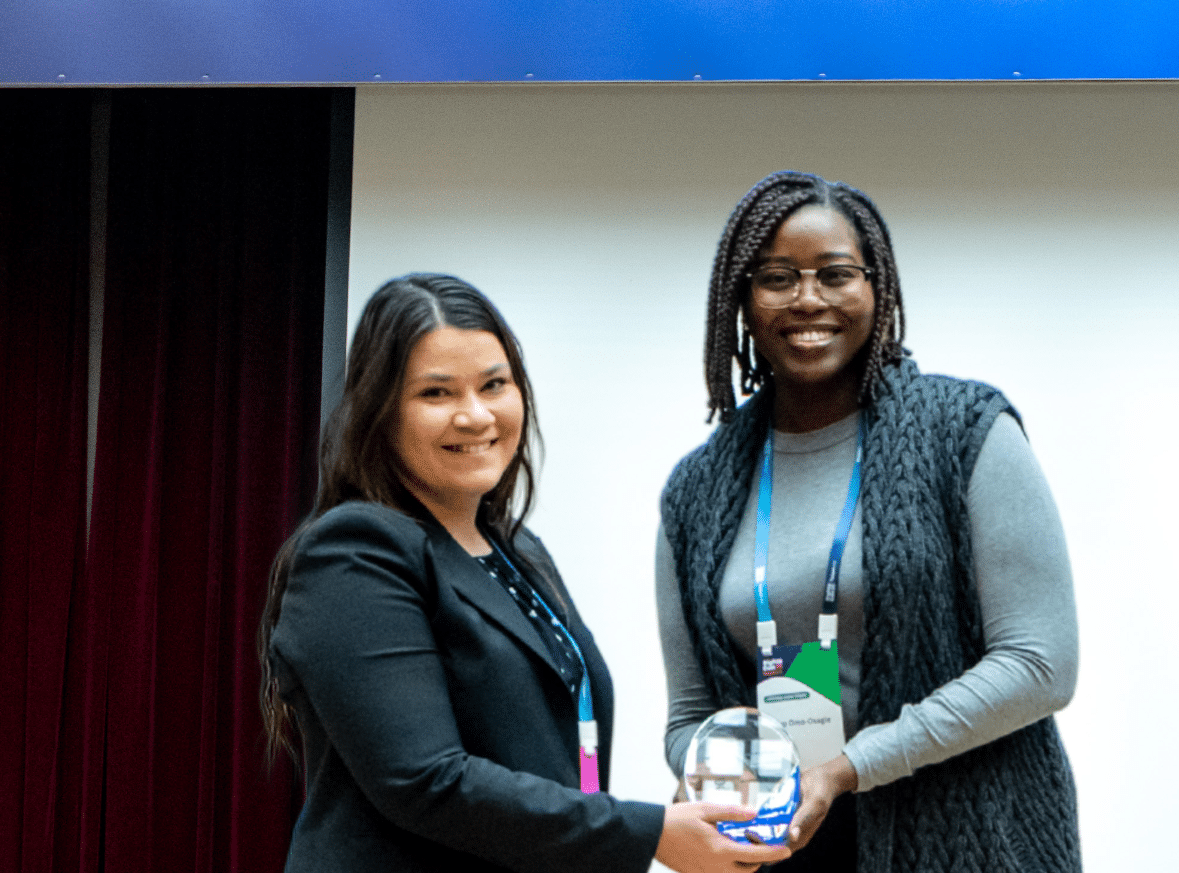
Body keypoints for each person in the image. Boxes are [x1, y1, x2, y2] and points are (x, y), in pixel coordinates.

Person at [259, 273, 790, 873]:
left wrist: (662, 823)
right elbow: (426, 780)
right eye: (436, 394)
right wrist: (649, 834)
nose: (475, 415)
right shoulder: (354, 552)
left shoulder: (516, 547)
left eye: (495, 385)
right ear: (381, 412)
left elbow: (547, 756)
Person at [657, 173, 1081, 873]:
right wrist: (718, 773)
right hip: (780, 851)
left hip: (969, 842)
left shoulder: (965, 432)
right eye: (777, 278)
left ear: (877, 287)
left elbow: (1040, 665)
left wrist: (848, 768)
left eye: (835, 274)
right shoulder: (696, 490)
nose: (808, 298)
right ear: (742, 297)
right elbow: (690, 712)